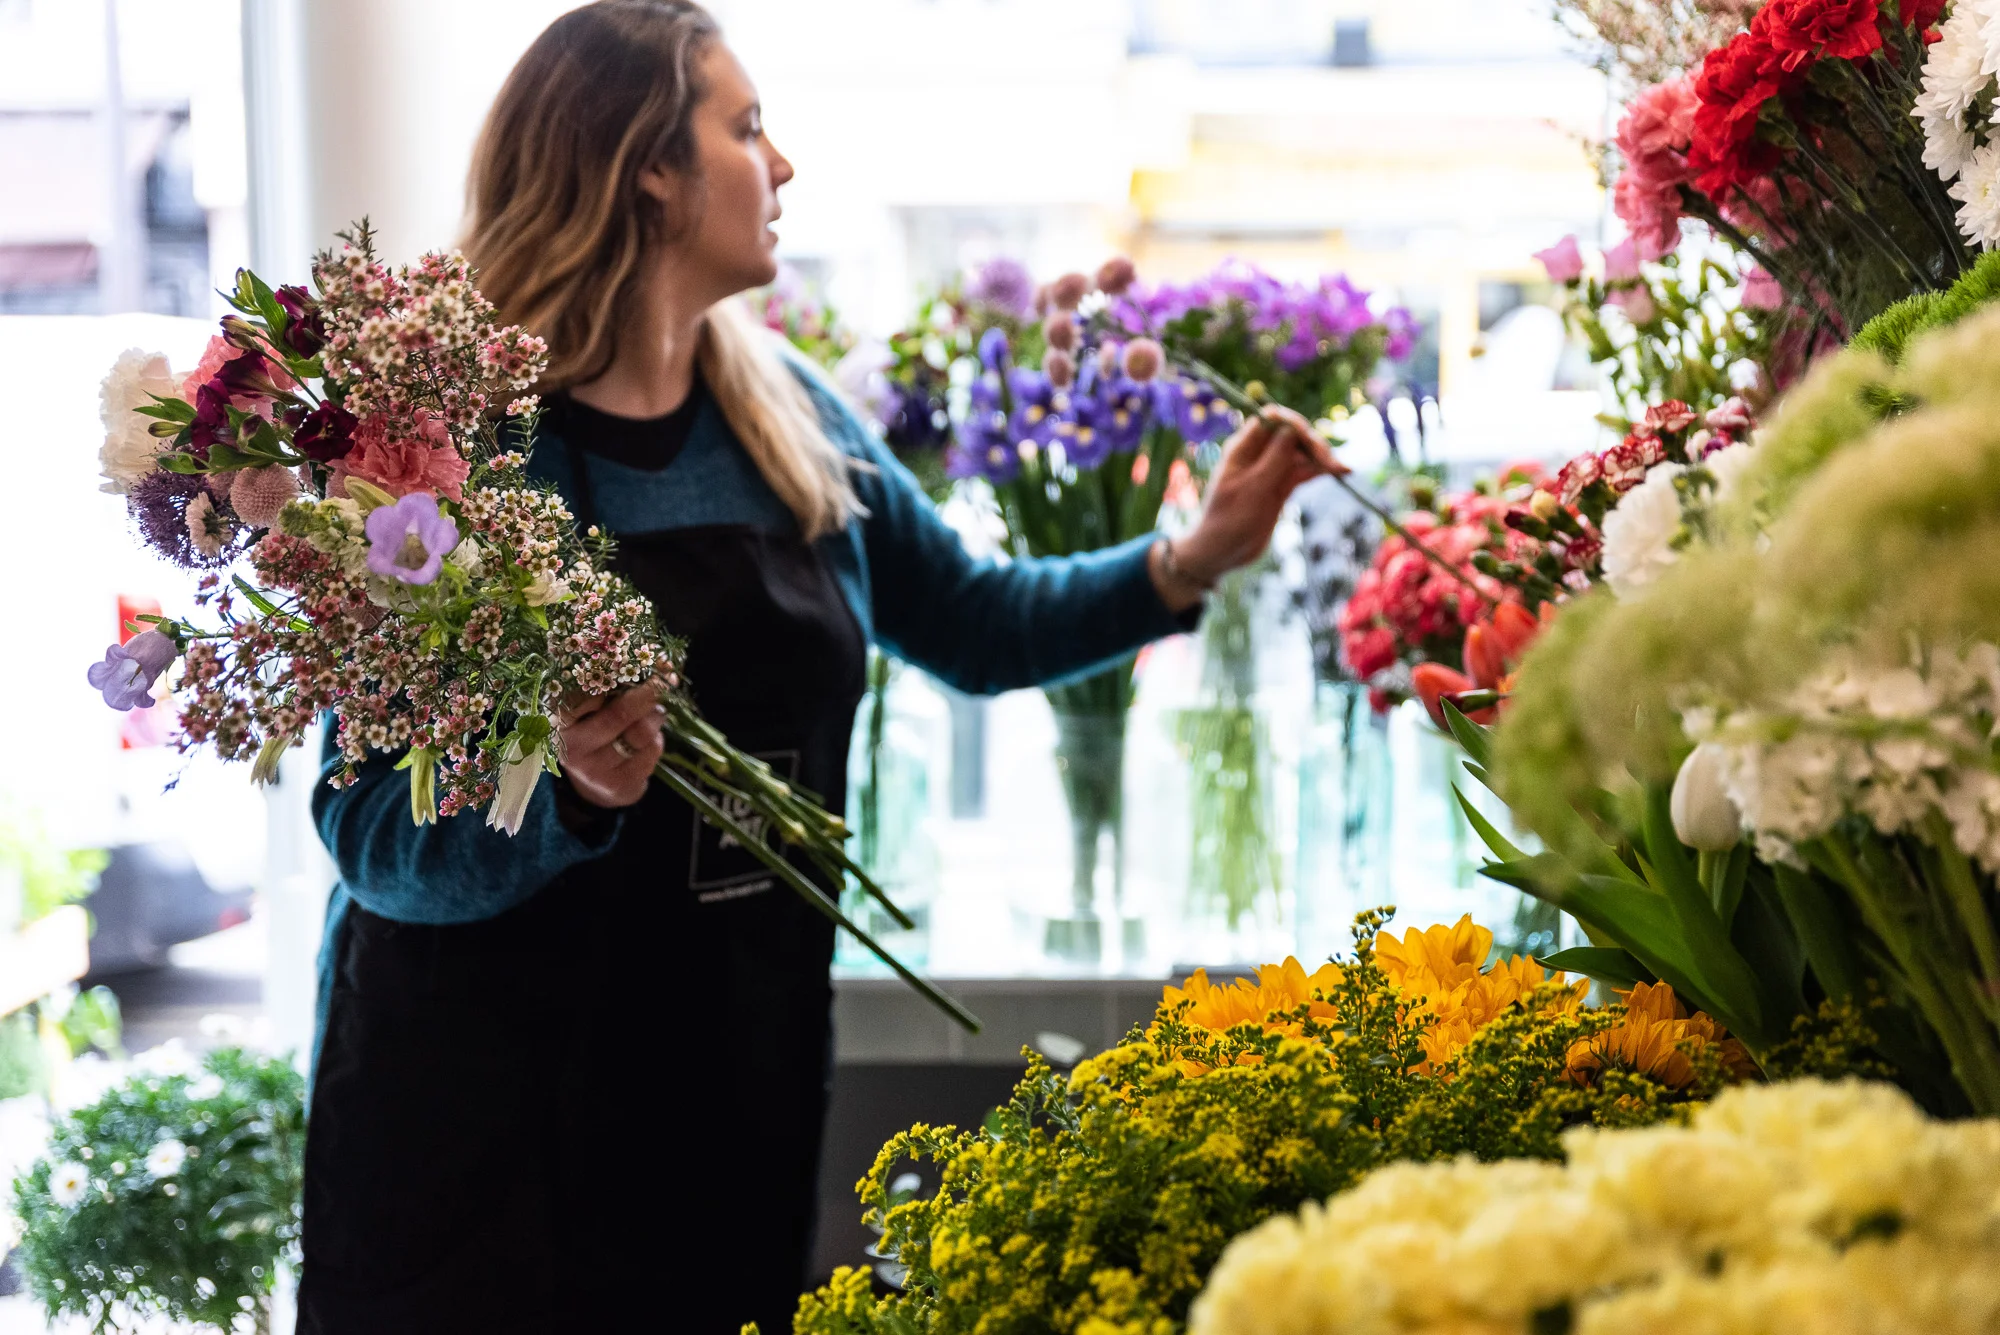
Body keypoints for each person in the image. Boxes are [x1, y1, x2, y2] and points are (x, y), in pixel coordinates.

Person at [296, 3, 1346, 1331]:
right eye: (744, 128)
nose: (781, 165)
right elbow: (368, 830)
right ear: (647, 170)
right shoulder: (446, 456)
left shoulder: (782, 411)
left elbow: (971, 619)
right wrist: (557, 787)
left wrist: (1190, 557)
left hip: (724, 1086)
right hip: (480, 1141)